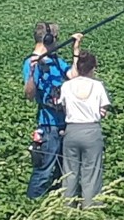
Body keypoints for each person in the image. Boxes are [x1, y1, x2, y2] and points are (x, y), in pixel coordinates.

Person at [23, 22, 82, 199]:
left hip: (65, 122)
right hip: (48, 125)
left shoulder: (56, 60)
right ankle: (32, 204)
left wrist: (76, 51)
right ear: (49, 39)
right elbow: (29, 95)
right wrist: (33, 71)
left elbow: (74, 76)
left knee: (64, 169)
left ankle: (59, 203)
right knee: (44, 171)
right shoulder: (30, 62)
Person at [59, 50, 111, 208]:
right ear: (92, 68)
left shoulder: (67, 86)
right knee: (92, 172)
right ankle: (91, 208)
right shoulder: (97, 86)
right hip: (91, 131)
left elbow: (63, 106)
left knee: (69, 172)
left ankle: (66, 208)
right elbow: (103, 110)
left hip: (72, 130)